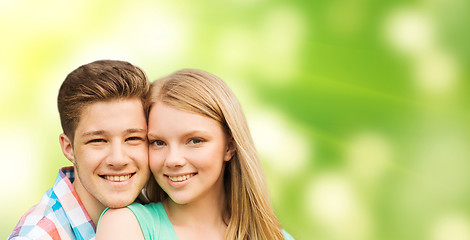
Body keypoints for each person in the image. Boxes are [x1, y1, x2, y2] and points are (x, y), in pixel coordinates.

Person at [96, 69, 294, 239]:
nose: (173, 160)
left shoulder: (275, 237)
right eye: (158, 142)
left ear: (229, 147)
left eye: (195, 141)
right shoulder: (125, 225)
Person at [8, 60, 151, 240]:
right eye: (98, 140)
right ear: (68, 148)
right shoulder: (38, 236)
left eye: (133, 138)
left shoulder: (160, 206)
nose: (118, 159)